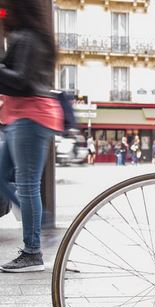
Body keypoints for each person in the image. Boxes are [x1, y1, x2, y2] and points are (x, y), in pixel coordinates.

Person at [0, 0, 64, 272]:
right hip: (21, 116)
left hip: (30, 117)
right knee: (4, 177)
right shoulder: (26, 37)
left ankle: (33, 251)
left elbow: (22, 81)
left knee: (26, 185)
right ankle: (44, 225)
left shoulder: (28, 38)